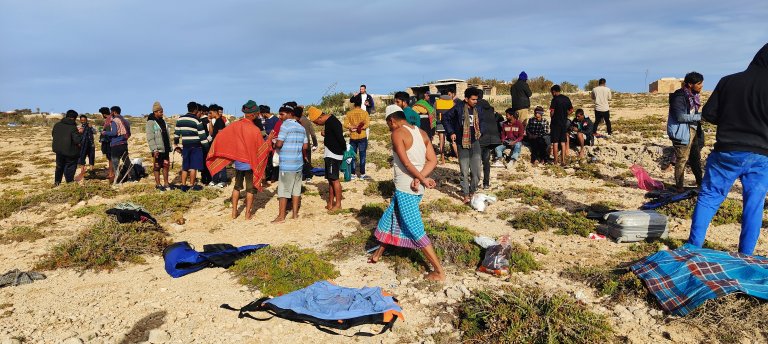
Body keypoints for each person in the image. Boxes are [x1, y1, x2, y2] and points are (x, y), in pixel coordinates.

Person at [689, 44, 768, 255]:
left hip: (726, 151)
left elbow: (709, 114)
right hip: (762, 155)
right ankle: (746, 256)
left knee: (709, 197)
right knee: (754, 205)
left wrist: (732, 117)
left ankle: (693, 248)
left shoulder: (728, 81)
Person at [368, 107, 445, 281]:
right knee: (392, 217)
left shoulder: (397, 133)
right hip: (416, 186)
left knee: (415, 228)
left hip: (406, 188)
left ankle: (439, 271)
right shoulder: (422, 133)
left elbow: (407, 163)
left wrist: (420, 178)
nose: (389, 128)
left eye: (388, 124)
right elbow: (432, 160)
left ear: (392, 121)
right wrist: (421, 178)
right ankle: (377, 254)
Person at [442, 87, 483, 203]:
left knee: (476, 172)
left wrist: (482, 132)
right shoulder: (458, 108)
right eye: (473, 99)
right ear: (466, 99)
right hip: (462, 144)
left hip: (475, 143)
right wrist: (451, 132)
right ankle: (465, 194)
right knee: (464, 171)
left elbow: (482, 122)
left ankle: (472, 191)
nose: (475, 101)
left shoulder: (478, 109)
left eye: (476, 99)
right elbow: (445, 118)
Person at [666, 72, 705, 192]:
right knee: (682, 160)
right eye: (699, 83)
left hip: (692, 130)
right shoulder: (679, 97)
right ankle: (679, 187)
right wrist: (699, 117)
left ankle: (700, 183)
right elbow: (680, 117)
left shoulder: (693, 96)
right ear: (690, 84)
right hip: (682, 132)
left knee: (695, 159)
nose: (701, 86)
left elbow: (691, 113)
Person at [272, 103, 308, 223]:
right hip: (298, 163)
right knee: (296, 190)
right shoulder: (301, 127)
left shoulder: (285, 126)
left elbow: (279, 144)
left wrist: (274, 143)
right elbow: (305, 146)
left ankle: (281, 216)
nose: (280, 117)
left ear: (289, 114)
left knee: (283, 191)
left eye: (282, 114)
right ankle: (295, 214)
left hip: (287, 163)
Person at [308, 106, 345, 211]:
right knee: (330, 180)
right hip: (330, 154)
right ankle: (330, 202)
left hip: (334, 155)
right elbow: (334, 136)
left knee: (334, 179)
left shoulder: (333, 122)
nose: (317, 124)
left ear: (320, 117)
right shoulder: (329, 122)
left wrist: (343, 149)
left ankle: (338, 204)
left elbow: (340, 138)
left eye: (316, 122)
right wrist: (326, 135)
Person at [230, 101, 262, 220]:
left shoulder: (235, 126)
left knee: (236, 187)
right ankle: (247, 213)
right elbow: (260, 148)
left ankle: (234, 212)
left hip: (238, 162)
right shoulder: (255, 129)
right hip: (250, 163)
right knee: (250, 189)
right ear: (253, 114)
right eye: (257, 114)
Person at [174, 101, 209, 192]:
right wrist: (207, 147)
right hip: (196, 147)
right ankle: (192, 185)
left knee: (185, 167)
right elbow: (202, 136)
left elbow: (176, 134)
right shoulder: (197, 120)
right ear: (196, 109)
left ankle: (183, 185)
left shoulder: (180, 119)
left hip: (186, 146)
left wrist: (176, 144)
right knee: (193, 167)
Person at [51, 110, 83, 185]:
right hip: (70, 151)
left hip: (59, 150)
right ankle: (69, 183)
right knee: (70, 167)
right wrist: (80, 133)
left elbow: (53, 135)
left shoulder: (57, 125)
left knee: (59, 166)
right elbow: (77, 140)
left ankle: (57, 182)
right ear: (74, 118)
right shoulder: (73, 127)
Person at [146, 101, 172, 191]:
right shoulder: (150, 122)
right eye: (160, 112)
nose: (162, 113)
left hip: (165, 148)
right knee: (157, 167)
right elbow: (150, 137)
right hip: (157, 149)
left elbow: (167, 135)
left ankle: (166, 183)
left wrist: (170, 147)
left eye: (162, 111)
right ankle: (158, 184)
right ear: (155, 112)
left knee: (166, 166)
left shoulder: (163, 121)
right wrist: (154, 149)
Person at [344, 94, 371, 180]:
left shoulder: (349, 113)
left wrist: (351, 127)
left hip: (353, 137)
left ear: (354, 104)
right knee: (362, 155)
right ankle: (362, 174)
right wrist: (360, 127)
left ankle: (353, 174)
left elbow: (345, 124)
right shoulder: (365, 113)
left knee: (352, 155)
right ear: (361, 103)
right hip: (362, 136)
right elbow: (367, 124)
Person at [102, 106, 132, 184]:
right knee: (127, 161)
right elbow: (129, 133)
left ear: (114, 112)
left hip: (116, 144)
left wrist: (105, 133)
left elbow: (114, 133)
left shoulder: (114, 120)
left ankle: (117, 179)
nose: (110, 113)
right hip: (124, 143)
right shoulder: (125, 121)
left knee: (115, 163)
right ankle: (131, 177)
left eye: (111, 112)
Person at [477, 96, 502, 189]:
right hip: (492, 139)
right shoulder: (491, 110)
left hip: (482, 139)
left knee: (476, 161)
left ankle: (475, 183)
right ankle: (486, 183)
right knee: (486, 161)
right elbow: (500, 119)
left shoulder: (477, 110)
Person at [549, 85, 574, 166]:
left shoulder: (554, 99)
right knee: (563, 142)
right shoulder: (566, 99)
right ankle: (563, 161)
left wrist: (551, 115)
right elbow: (571, 110)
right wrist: (565, 114)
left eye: (552, 92)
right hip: (564, 123)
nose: (552, 94)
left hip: (555, 123)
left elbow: (552, 112)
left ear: (554, 91)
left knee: (555, 142)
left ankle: (555, 161)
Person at [296, 105, 318, 181]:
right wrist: (315, 144)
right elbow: (313, 133)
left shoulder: (295, 121)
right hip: (306, 143)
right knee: (307, 159)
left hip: (297, 143)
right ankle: (308, 176)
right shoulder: (307, 121)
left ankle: (302, 176)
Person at [209, 104, 229, 187]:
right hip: (215, 145)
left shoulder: (220, 121)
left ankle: (223, 180)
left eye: (210, 113)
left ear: (215, 112)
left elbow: (220, 135)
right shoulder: (217, 121)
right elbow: (211, 133)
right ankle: (215, 180)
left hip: (219, 146)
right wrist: (210, 121)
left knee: (221, 163)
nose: (210, 114)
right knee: (215, 163)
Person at [74, 114, 95, 183]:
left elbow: (95, 132)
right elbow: (76, 135)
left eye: (84, 120)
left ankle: (91, 171)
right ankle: (82, 171)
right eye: (82, 120)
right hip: (82, 145)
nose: (83, 121)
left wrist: (91, 128)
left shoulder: (90, 126)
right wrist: (79, 131)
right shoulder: (79, 127)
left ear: (86, 120)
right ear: (80, 120)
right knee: (82, 157)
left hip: (90, 144)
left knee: (91, 157)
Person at [97, 107, 115, 182]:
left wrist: (102, 132)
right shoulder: (112, 118)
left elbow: (109, 132)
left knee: (110, 158)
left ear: (104, 114)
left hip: (109, 142)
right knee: (111, 158)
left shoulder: (109, 120)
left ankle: (111, 173)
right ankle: (111, 173)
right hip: (111, 141)